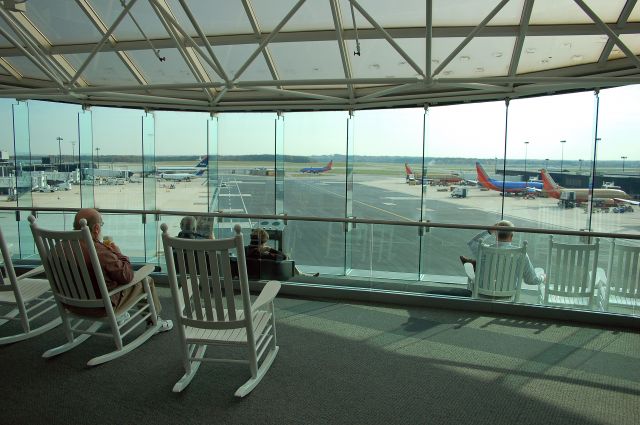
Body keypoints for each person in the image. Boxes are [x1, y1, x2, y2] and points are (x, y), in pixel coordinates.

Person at [72, 208, 172, 331]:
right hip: (101, 307)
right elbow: (127, 277)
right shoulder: (99, 251)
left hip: (71, 304)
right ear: (96, 228)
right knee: (146, 280)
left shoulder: (59, 246)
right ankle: (154, 322)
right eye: (101, 224)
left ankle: (122, 315)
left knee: (110, 275)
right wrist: (118, 254)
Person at [461, 220, 545, 286]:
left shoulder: (485, 250)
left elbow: (472, 242)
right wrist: (542, 276)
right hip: (508, 295)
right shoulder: (521, 254)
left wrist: (490, 230)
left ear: (495, 234)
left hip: (483, 291)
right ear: (511, 236)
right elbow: (531, 280)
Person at [246, 228, 318, 277]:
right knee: (287, 260)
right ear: (262, 243)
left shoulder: (247, 250)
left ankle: (302, 274)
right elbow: (283, 256)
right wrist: (269, 249)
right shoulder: (261, 255)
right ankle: (302, 275)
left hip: (253, 273)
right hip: (267, 275)